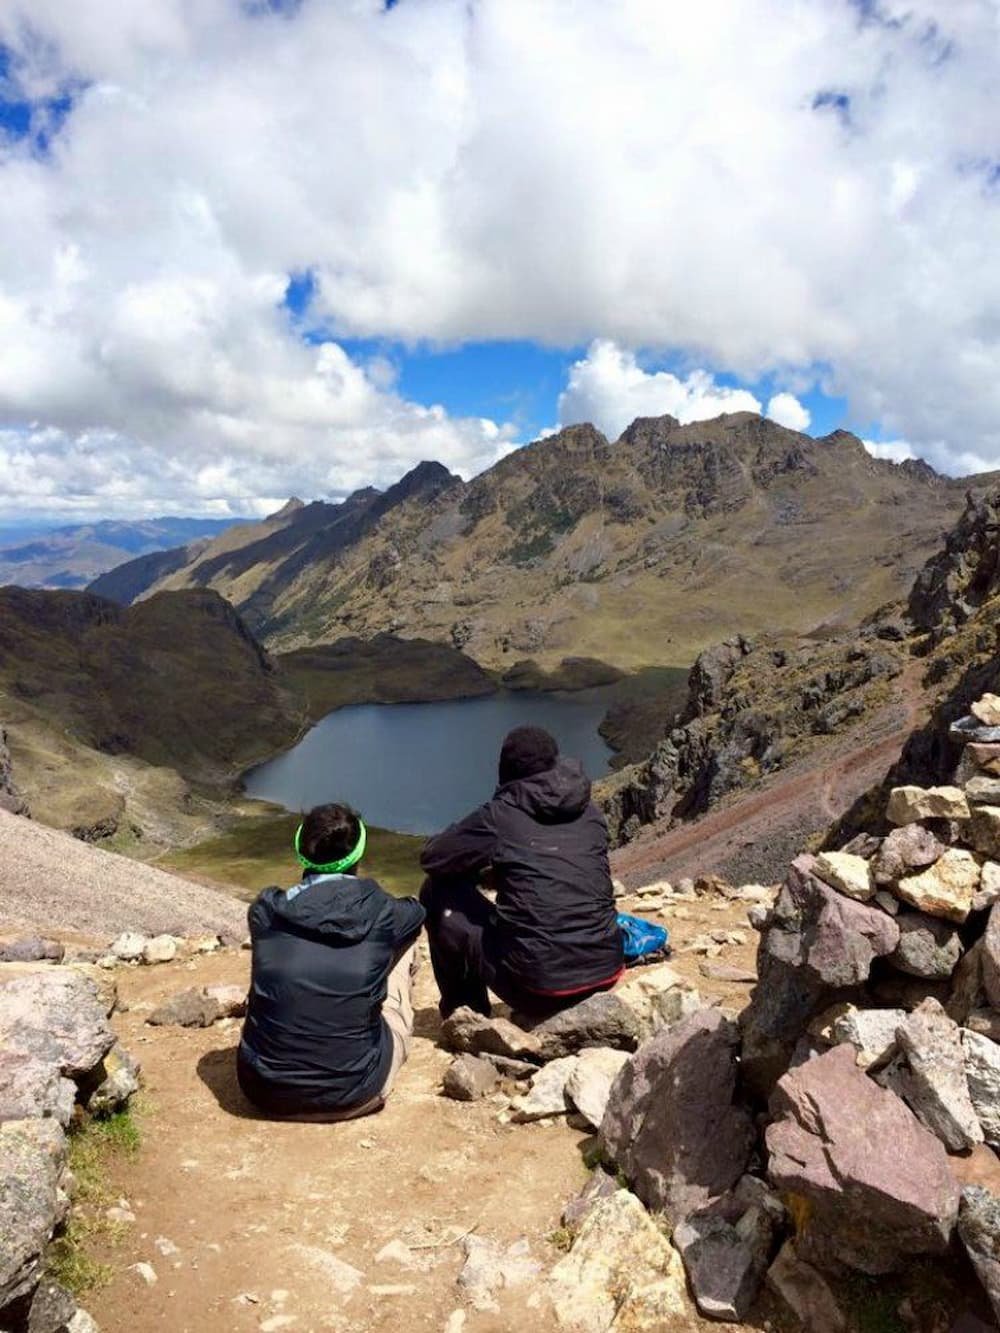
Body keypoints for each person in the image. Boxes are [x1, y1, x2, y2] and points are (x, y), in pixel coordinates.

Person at [419, 725, 625, 1019]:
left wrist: (478, 872)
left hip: (539, 990)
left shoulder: (499, 815)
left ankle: (466, 1015)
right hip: (606, 972)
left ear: (505, 770)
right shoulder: (590, 810)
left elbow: (434, 859)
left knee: (435, 890)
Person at [237, 802, 425, 1120]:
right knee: (405, 944)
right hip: (356, 1091)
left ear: (301, 849)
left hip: (263, 1091)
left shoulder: (265, 910)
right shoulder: (383, 911)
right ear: (359, 853)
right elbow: (417, 912)